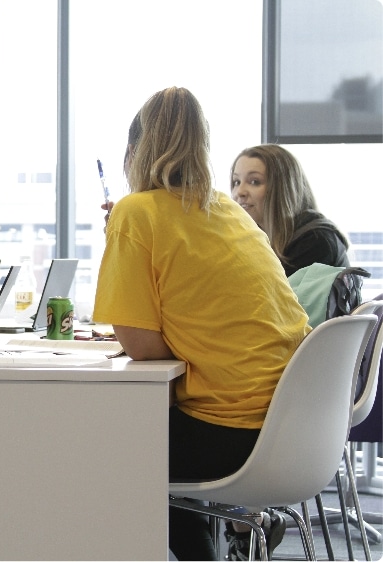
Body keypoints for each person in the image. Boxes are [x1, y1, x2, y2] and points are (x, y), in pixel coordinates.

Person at [92, 87, 310, 561]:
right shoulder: (229, 210)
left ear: (134, 152)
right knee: (148, 432)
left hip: (233, 433)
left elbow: (141, 346)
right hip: (296, 426)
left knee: (102, 441)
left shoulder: (136, 211)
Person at [230, 144, 350, 277]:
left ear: (283, 188)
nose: (239, 192)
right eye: (236, 182)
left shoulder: (316, 241)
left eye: (254, 182)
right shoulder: (252, 240)